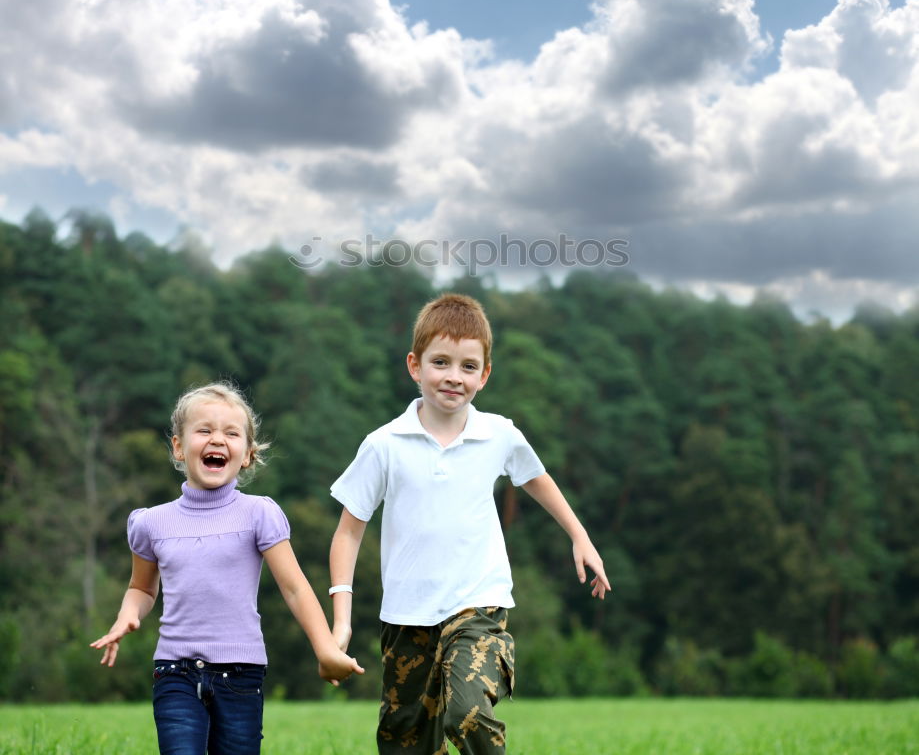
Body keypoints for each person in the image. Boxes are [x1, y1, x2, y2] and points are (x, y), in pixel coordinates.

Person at [329, 293, 610, 754]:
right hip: (406, 618)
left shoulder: (499, 434)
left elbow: (538, 481)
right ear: (414, 366)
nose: (453, 377)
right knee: (405, 744)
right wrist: (341, 621)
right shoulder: (384, 444)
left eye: (467, 366)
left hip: (478, 607)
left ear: (485, 374)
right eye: (441, 362)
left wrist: (580, 537)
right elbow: (348, 532)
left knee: (469, 714)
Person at [91, 381, 363, 755]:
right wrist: (127, 615)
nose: (217, 439)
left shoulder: (259, 514)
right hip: (175, 671)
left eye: (231, 433)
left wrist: (325, 649)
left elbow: (295, 588)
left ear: (247, 454)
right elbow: (141, 589)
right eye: (204, 430)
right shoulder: (151, 523)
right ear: (178, 447)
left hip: (241, 674)